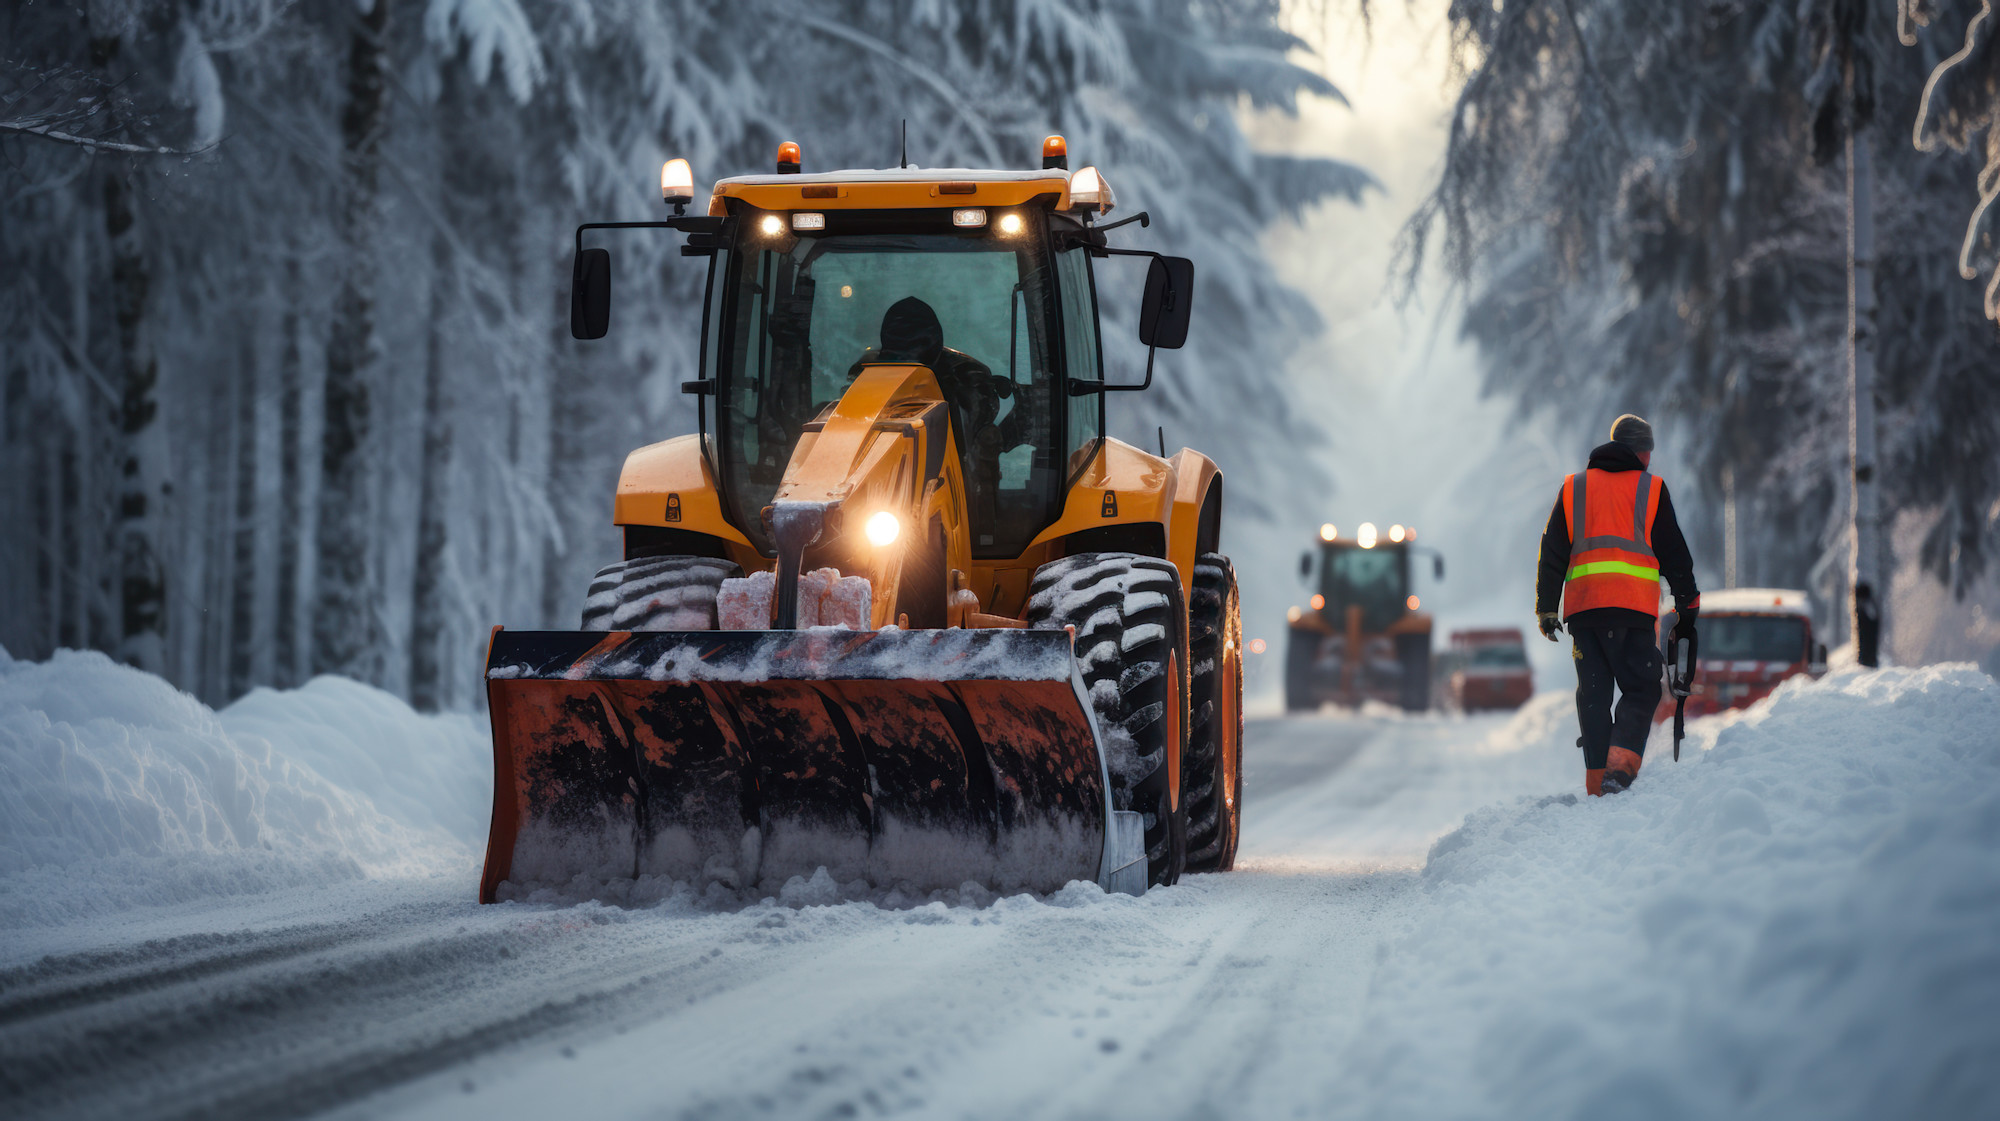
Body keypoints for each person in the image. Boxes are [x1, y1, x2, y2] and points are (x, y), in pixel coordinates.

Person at [1535, 414, 1700, 796]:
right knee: (1642, 688)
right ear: (1643, 452)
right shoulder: (1651, 489)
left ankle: (1596, 783)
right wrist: (1688, 602)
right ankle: (1619, 773)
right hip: (1632, 613)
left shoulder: (1574, 488)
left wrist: (1546, 607)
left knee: (1593, 694)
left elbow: (1553, 551)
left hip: (1584, 614)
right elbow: (1674, 552)